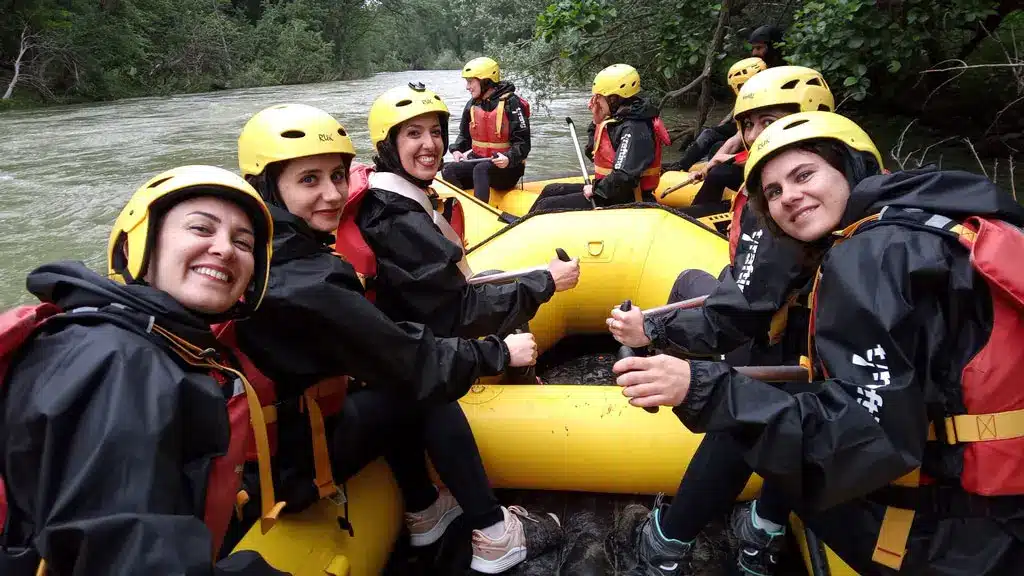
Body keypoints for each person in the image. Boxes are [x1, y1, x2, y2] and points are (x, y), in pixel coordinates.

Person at [615, 111, 1024, 575]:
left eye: (804, 174)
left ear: (848, 167)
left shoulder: (871, 255)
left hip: (970, 531)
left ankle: (704, 544)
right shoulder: (930, 218)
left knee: (751, 428)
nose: (789, 196)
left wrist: (701, 387)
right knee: (779, 406)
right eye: (774, 192)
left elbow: (865, 442)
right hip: (991, 489)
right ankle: (760, 527)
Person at [232, 102, 559, 574]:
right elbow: (415, 364)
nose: (332, 194)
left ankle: (425, 507)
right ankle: (494, 533)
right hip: (292, 471)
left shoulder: (265, 250)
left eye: (337, 176)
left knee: (389, 383)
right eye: (309, 180)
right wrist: (499, 351)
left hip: (277, 451)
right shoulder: (309, 279)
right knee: (419, 390)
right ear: (269, 187)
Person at [0, 165, 287, 574]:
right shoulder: (116, 361)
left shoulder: (144, 341)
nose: (225, 249)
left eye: (243, 242)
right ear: (143, 246)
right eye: (201, 229)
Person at [608, 66, 835, 575]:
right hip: (820, 349)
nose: (757, 136)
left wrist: (654, 330)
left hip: (789, 348)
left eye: (770, 121)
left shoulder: (774, 202)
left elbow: (740, 315)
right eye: (750, 124)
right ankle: (764, 530)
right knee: (799, 413)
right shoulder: (844, 181)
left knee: (741, 416)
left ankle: (668, 542)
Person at [356, 83, 580, 339]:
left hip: (421, 326)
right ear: (388, 144)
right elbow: (458, 313)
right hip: (421, 346)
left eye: (436, 132)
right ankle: (515, 367)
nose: (430, 144)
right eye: (414, 134)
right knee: (504, 293)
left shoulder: (390, 197)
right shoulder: (397, 220)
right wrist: (548, 282)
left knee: (494, 278)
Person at [528, 64, 671, 212]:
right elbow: (594, 155)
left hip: (628, 198)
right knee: (551, 190)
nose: (594, 102)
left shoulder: (634, 127)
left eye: (599, 97)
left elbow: (624, 177)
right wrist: (597, 120)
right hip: (612, 192)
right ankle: (516, 227)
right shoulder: (616, 120)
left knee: (547, 206)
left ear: (614, 99)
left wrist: (596, 190)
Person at [441, 57, 531, 204]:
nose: (467, 87)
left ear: (485, 81)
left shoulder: (512, 104)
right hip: (479, 162)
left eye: (471, 82)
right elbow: (465, 136)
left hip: (507, 169)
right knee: (448, 169)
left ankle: (478, 213)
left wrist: (508, 158)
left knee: (480, 169)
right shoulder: (471, 105)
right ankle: (461, 206)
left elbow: (523, 143)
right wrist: (456, 150)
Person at [662, 57, 767, 174]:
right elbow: (736, 139)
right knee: (712, 139)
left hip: (760, 158)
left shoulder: (769, 106)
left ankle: (684, 166)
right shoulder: (748, 102)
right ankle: (682, 165)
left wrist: (719, 160)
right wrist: (709, 166)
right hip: (746, 148)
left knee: (714, 143)